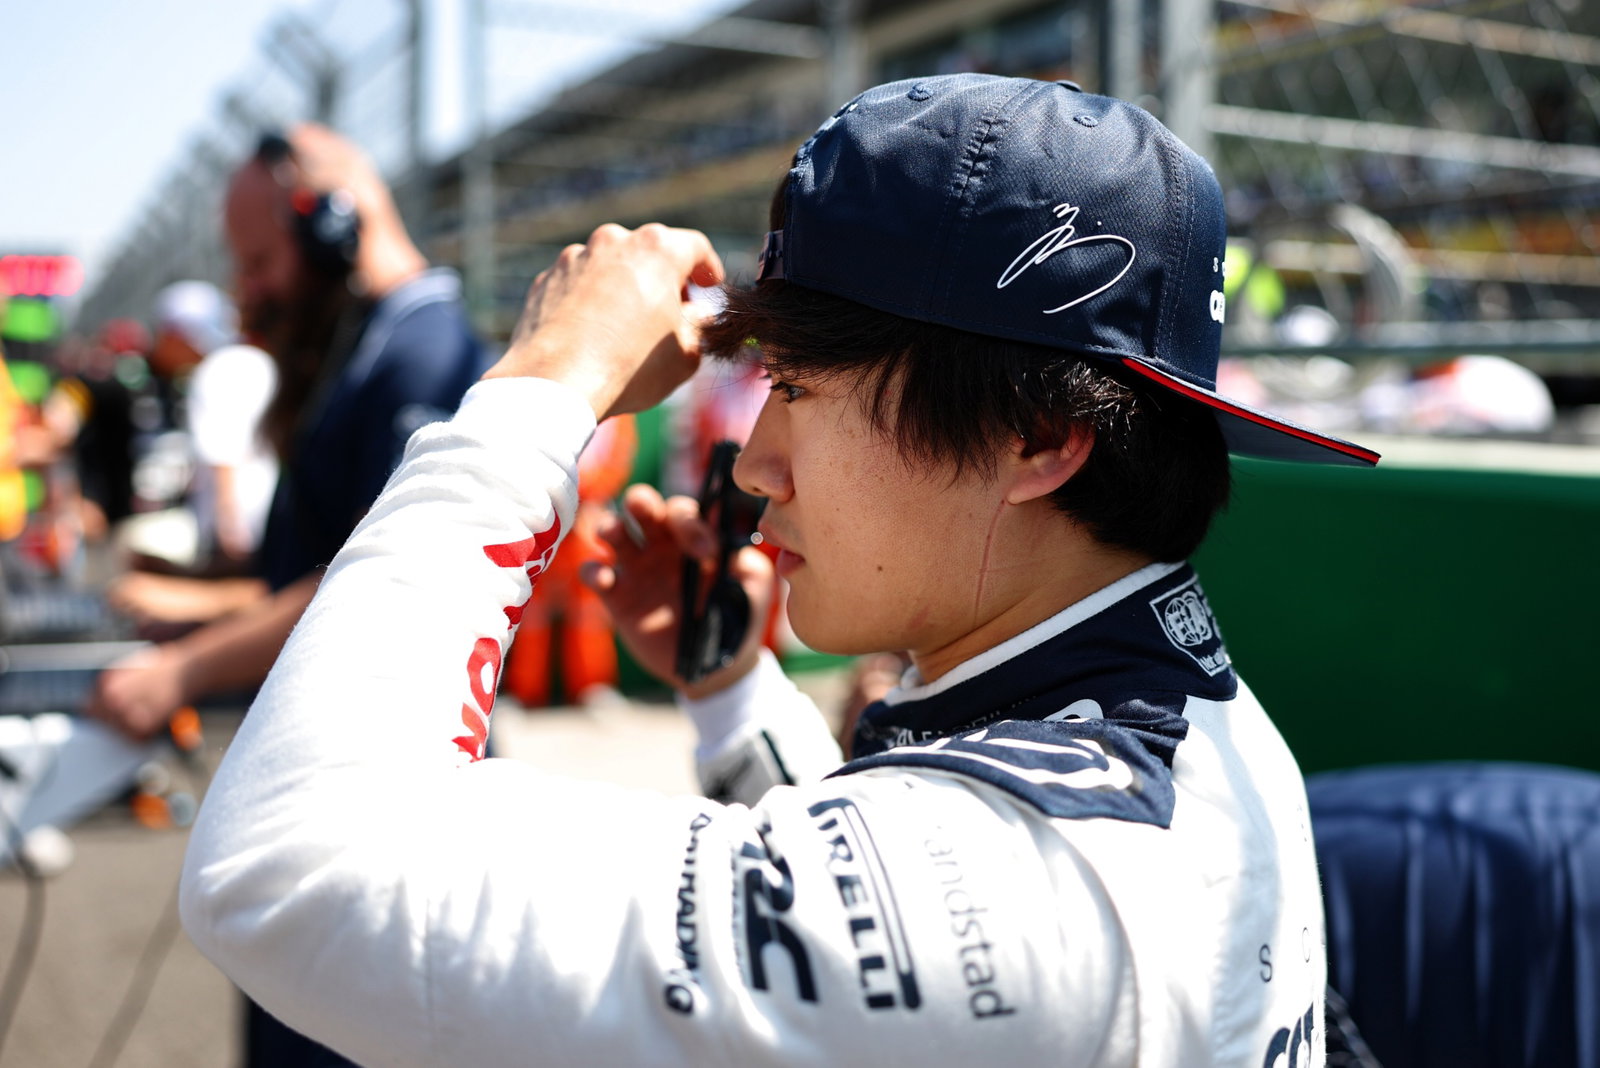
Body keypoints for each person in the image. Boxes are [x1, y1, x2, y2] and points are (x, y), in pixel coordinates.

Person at [179, 76, 1379, 1066]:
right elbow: (902, 887)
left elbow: (287, 868)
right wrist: (733, 695)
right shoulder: (1195, 727)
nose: (753, 462)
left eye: (797, 388)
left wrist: (542, 388)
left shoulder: (1038, 885)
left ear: (1039, 437)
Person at [89, 124, 485, 1066]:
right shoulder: (368, 345)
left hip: (385, 819)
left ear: (333, 225)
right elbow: (311, 559)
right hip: (325, 804)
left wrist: (178, 669)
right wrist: (195, 594)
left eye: (260, 259)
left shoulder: (421, 353)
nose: (248, 288)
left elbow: (379, 587)